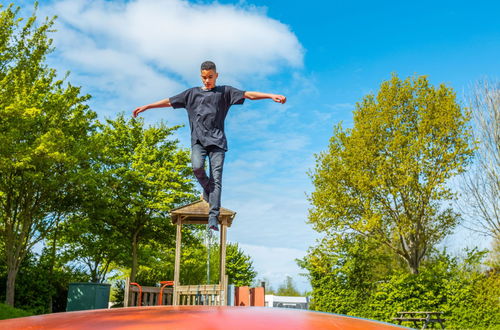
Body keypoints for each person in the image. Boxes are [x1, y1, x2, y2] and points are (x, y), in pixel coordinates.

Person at [133, 61, 286, 231]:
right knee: (197, 168)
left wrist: (271, 95)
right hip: (198, 142)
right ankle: (208, 191)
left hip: (218, 143)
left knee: (217, 178)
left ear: (216, 75)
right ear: (201, 76)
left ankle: (213, 217)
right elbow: (169, 102)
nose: (207, 81)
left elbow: (248, 95)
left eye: (210, 77)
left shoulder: (224, 92)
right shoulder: (191, 94)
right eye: (204, 78)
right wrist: (147, 106)